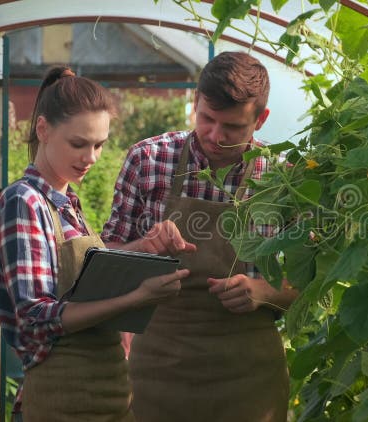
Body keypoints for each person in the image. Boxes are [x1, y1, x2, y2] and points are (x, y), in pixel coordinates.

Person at [103, 51, 299, 421]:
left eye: (232, 127)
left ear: (261, 120)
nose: (214, 134)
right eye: (206, 118)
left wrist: (265, 292)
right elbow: (107, 264)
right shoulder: (148, 160)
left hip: (249, 381)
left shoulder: (283, 180)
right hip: (158, 374)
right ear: (195, 102)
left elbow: (307, 282)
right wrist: (143, 247)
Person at [0, 66, 188, 421]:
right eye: (78, 144)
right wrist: (136, 298)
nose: (91, 157)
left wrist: (144, 247)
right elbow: (37, 317)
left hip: (106, 393)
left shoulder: (68, 204)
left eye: (99, 145)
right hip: (60, 399)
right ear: (43, 129)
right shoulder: (24, 202)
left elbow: (87, 274)